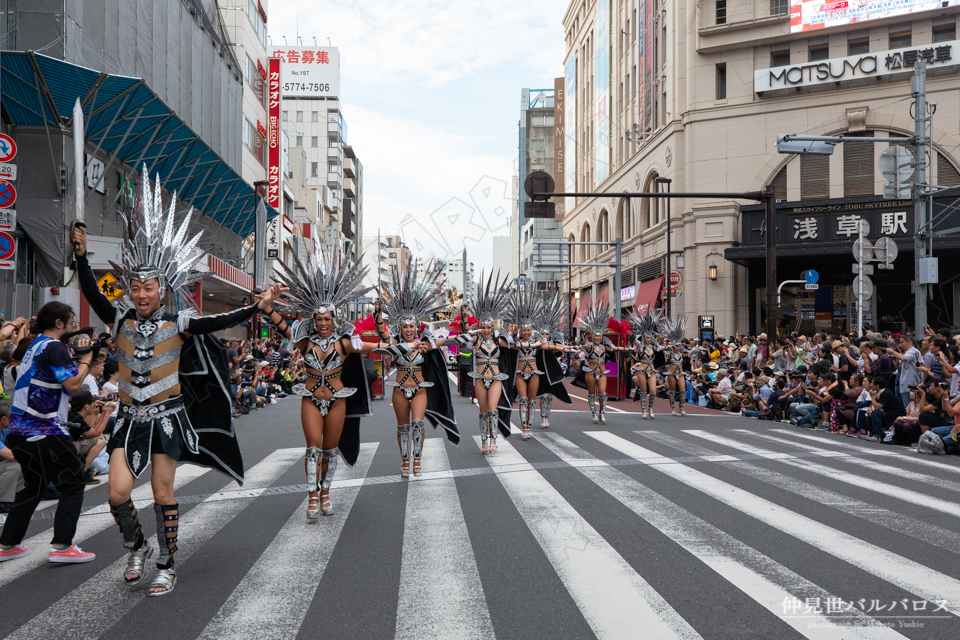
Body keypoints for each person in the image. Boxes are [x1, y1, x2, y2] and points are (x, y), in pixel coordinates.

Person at [71, 168, 286, 595]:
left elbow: (219, 320)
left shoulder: (181, 321)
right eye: (135, 287)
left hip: (167, 418)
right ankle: (137, 546)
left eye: (148, 287)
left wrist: (255, 307)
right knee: (116, 494)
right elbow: (95, 294)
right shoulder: (121, 318)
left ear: (163, 289)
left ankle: (168, 564)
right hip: (130, 419)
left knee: (164, 492)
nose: (141, 294)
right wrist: (80, 255)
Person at [265, 236, 383, 520]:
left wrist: (408, 345)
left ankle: (326, 493)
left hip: (337, 400)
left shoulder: (345, 344)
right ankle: (312, 496)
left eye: (327, 319)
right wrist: (268, 305)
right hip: (310, 399)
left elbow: (376, 345)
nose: (322, 323)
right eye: (318, 320)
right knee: (313, 449)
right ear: (313, 321)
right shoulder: (304, 342)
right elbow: (281, 325)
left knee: (329, 450)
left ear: (334, 319)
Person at [0, 302, 96, 564]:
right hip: (43, 429)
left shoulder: (35, 345)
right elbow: (73, 385)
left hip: (19, 431)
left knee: (35, 485)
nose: (73, 326)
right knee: (74, 483)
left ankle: (7, 545)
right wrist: (86, 361)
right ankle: (62, 546)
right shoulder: (54, 347)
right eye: (71, 321)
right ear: (58, 323)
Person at [373, 260, 458, 476]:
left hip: (420, 388)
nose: (409, 329)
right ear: (400, 327)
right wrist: (378, 316)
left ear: (416, 326)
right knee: (403, 427)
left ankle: (417, 461)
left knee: (418, 424)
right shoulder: (395, 343)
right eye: (405, 326)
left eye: (412, 326)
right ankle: (404, 461)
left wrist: (469, 335)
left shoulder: (425, 341)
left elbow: (445, 341)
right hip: (400, 389)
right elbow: (383, 339)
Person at [448, 272, 515, 453]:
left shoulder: (500, 340)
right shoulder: (475, 340)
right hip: (479, 378)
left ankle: (493, 439)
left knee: (493, 411)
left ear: (493, 326)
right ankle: (484, 440)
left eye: (488, 327)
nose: (486, 330)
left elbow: (517, 345)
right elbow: (462, 338)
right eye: (483, 327)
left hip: (496, 378)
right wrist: (468, 323)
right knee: (483, 412)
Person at [572, 299, 631, 424]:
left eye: (599, 336)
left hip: (602, 372)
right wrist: (586, 333)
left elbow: (617, 348)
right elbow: (583, 343)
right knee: (592, 394)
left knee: (603, 394)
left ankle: (602, 414)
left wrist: (628, 347)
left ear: (602, 337)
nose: (598, 338)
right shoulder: (590, 347)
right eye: (596, 336)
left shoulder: (605, 346)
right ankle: (594, 414)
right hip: (590, 372)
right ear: (593, 337)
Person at [535, 291, 573, 428]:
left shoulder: (553, 343)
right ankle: (539, 417)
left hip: (551, 370)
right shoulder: (536, 342)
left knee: (549, 395)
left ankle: (545, 418)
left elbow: (560, 350)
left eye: (546, 333)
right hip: (538, 369)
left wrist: (573, 349)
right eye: (543, 333)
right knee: (541, 395)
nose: (545, 335)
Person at [67, 391, 112, 484]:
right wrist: (107, 415)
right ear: (86, 406)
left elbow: (92, 431)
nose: (94, 405)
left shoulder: (73, 415)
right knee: (100, 441)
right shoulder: (75, 418)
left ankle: (83, 470)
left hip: (68, 445)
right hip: (67, 447)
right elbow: (95, 434)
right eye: (92, 403)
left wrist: (101, 414)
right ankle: (82, 472)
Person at [629, 307, 663, 420]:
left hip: (651, 370)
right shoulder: (640, 345)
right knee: (643, 391)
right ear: (644, 337)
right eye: (647, 337)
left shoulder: (654, 346)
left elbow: (663, 348)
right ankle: (643, 410)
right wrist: (634, 329)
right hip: (641, 370)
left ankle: (651, 409)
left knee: (653, 391)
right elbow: (633, 339)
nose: (649, 339)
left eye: (650, 337)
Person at [661, 317, 690, 416]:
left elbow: (688, 352)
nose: (677, 348)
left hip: (680, 373)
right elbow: (664, 352)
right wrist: (671, 345)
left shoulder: (682, 354)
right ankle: (673, 407)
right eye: (676, 346)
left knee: (682, 391)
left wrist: (682, 345)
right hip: (671, 373)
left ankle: (681, 407)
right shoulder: (669, 354)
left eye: (678, 346)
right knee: (672, 391)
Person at [0, 399, 24, 514]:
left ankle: (16, 496)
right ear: (4, 419)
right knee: (15, 465)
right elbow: (9, 455)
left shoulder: (4, 430)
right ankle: (3, 501)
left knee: (22, 462)